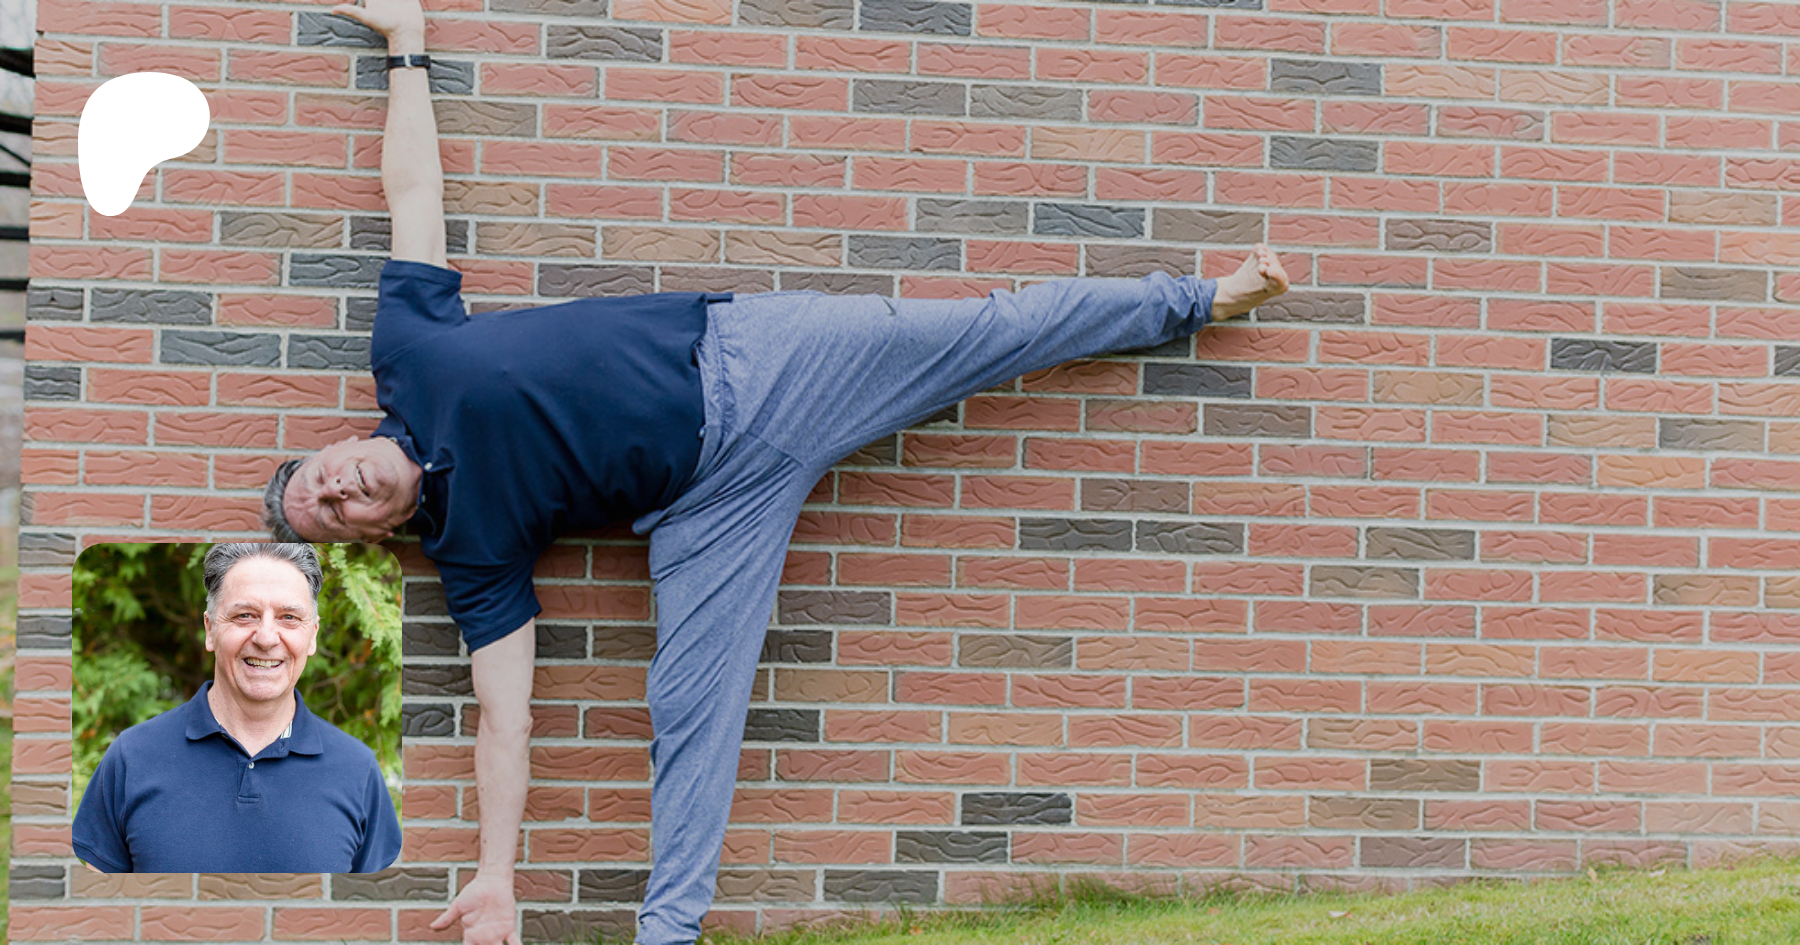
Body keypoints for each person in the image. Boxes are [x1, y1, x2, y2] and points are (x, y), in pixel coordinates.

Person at [268, 0, 1290, 941]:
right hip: (708, 510)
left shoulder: (410, 353)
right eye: (331, 518)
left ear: (336, 445)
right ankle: (669, 931)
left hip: (761, 362)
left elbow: (415, 191)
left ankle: (1198, 300)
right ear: (374, 534)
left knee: (988, 332)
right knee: (692, 706)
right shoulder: (470, 553)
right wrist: (496, 874)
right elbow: (508, 717)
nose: (335, 494)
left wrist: (405, 44)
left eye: (319, 480)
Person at [71, 543, 402, 873]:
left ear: (312, 635)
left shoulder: (358, 771)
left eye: (289, 617)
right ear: (210, 629)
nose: (266, 638)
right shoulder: (132, 758)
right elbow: (95, 904)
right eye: (245, 615)